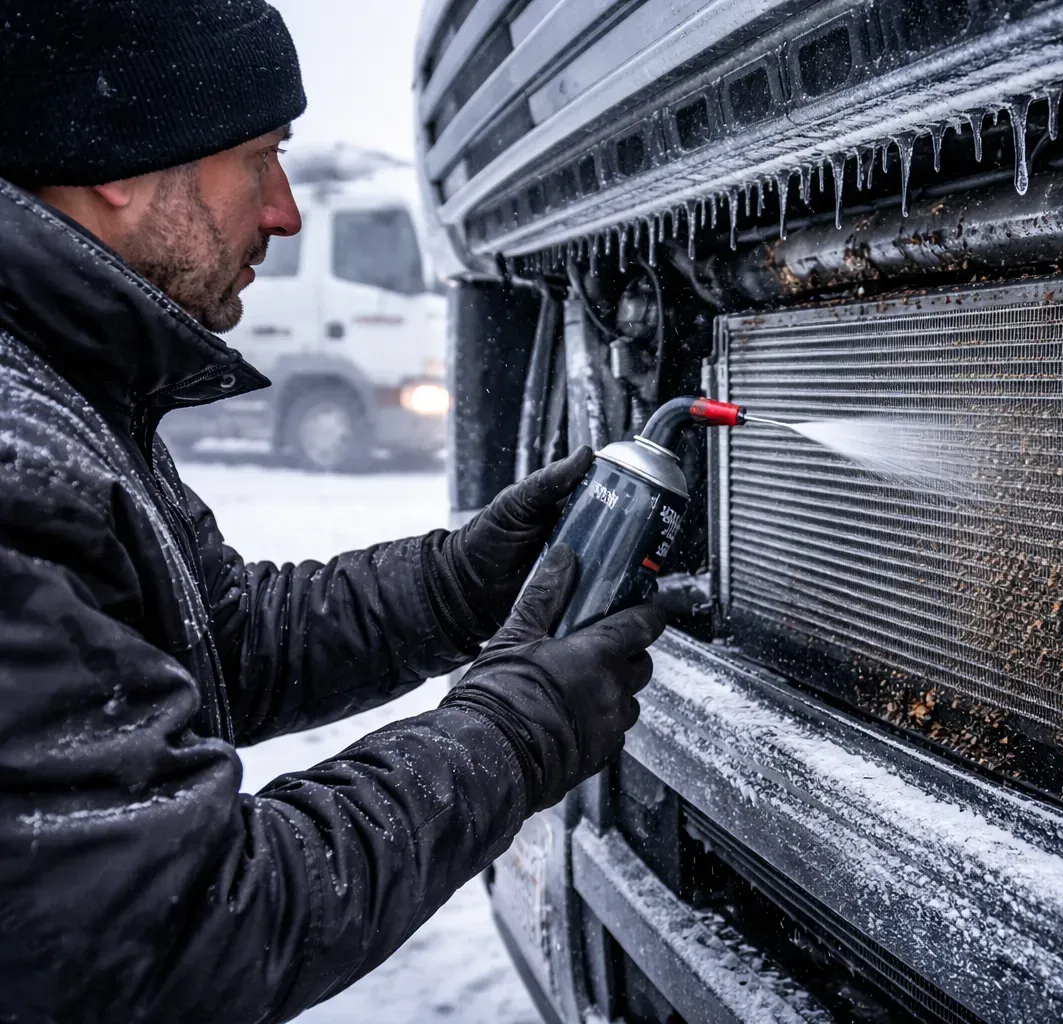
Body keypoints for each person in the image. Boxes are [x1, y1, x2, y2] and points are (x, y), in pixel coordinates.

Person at [0, 2, 665, 1020]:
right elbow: (186, 927)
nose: (285, 212)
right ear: (115, 166)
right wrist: (513, 732)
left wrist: (455, 583)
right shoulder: (22, 463)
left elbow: (221, 640)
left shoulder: (65, 389)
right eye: (259, 159)